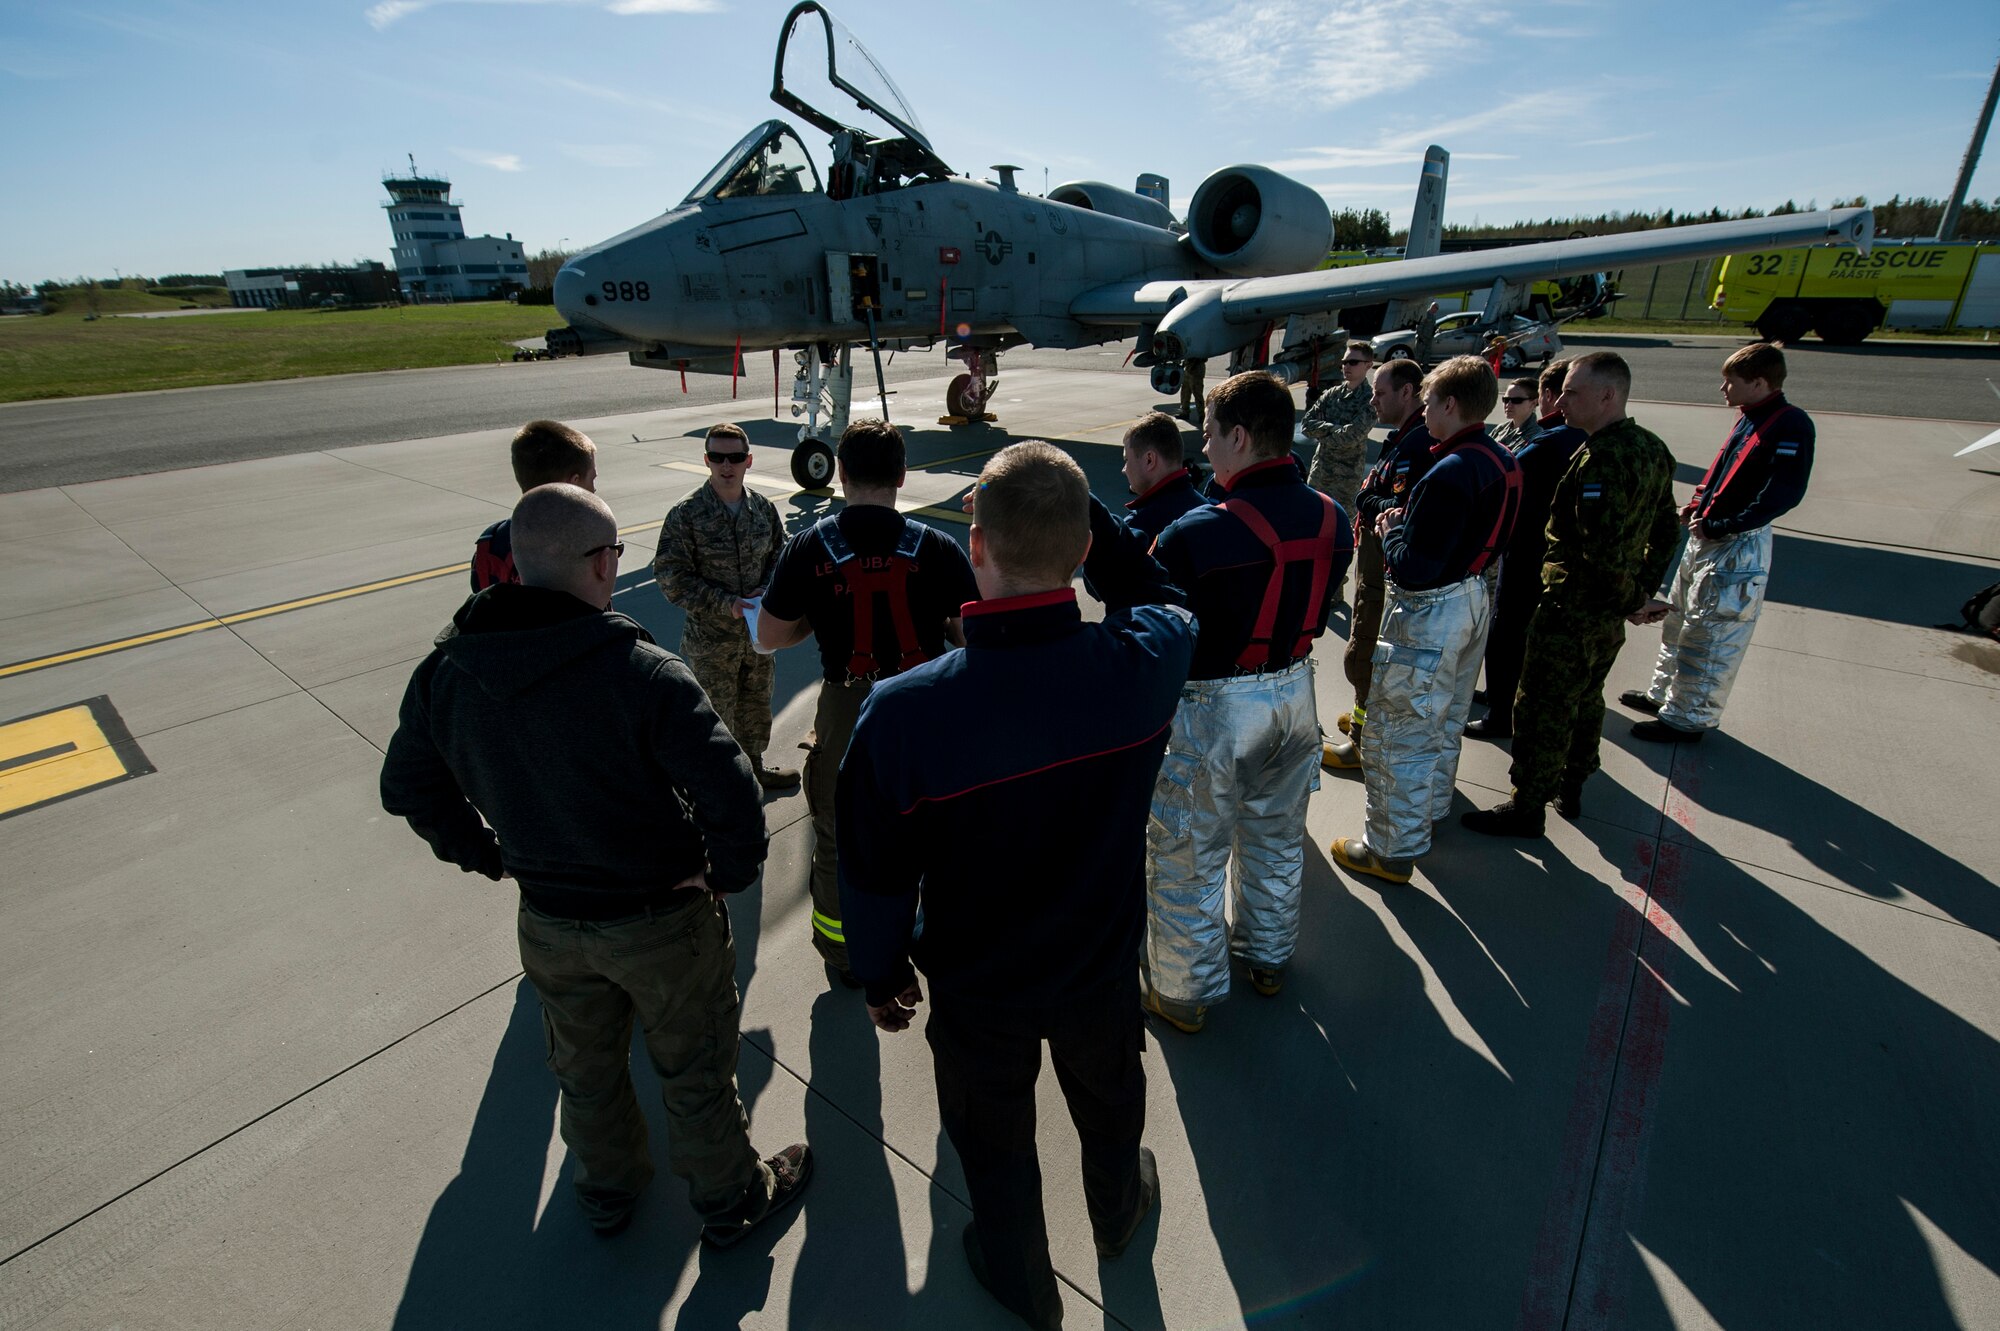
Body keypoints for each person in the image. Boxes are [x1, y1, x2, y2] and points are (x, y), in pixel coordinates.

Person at [380, 483, 811, 1246]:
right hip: (660, 923)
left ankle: (607, 1189)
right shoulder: (641, 672)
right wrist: (724, 873)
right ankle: (730, 1196)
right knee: (696, 1069)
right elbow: (732, 792)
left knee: (584, 1067)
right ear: (599, 565)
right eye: (614, 552)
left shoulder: (447, 671)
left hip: (548, 920)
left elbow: (407, 786)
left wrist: (489, 855)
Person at [837, 442, 1192, 1331]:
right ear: (1080, 553)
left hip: (979, 984)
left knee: (993, 1144)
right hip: (1099, 965)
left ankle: (1024, 1281)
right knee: (1111, 1105)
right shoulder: (1138, 663)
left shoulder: (907, 709)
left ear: (978, 547)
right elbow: (1169, 601)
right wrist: (1091, 527)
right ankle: (1116, 1216)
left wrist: (878, 973)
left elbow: (873, 872)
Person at [1143, 371, 1353, 1031]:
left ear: (1238, 435)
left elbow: (1155, 631)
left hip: (1214, 711)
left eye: (1208, 436)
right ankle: (1267, 956)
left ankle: (1182, 989)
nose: (1204, 451)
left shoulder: (1194, 533)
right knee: (1276, 837)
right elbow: (1323, 609)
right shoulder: (1332, 515)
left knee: (1188, 853)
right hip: (1295, 694)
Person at [755, 420, 977, 989]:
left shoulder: (809, 547)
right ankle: (930, 934)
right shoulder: (938, 547)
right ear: (902, 477)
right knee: (934, 827)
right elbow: (968, 635)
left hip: (847, 709)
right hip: (926, 706)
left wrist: (816, 619)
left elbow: (771, 636)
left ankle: (843, 952)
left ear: (842, 475)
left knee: (837, 832)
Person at [1461, 352, 1679, 837]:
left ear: (1608, 395)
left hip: (1574, 606)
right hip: (1604, 611)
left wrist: (1631, 599)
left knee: (1541, 705)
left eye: (1572, 393)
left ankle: (1527, 805)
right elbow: (1668, 527)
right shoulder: (1650, 448)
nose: (1560, 402)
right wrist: (1640, 591)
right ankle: (1572, 782)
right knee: (1585, 697)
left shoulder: (1602, 459)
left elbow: (1599, 553)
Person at [1330, 356, 1520, 883]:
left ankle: (1391, 848)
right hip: (1473, 595)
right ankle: (1430, 809)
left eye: (1431, 402)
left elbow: (1413, 568)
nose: (1426, 411)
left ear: (1450, 404)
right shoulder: (1500, 457)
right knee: (1445, 718)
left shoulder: (1450, 471)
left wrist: (1392, 529)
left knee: (1400, 734)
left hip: (1431, 610)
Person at [1621, 341, 1816, 742]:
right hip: (1707, 535)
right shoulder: (1751, 418)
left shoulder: (1789, 424)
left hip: (1734, 544)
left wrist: (1728, 523)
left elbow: (1783, 493)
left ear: (1759, 382)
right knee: (1678, 621)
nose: (1722, 390)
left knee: (1710, 632)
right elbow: (1727, 469)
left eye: (1730, 382)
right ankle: (1665, 695)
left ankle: (1689, 717)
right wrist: (1697, 507)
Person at [653, 423, 798, 789]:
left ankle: (755, 772)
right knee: (714, 719)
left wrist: (767, 591)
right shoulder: (686, 514)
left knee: (755, 709)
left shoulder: (762, 509)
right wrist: (726, 603)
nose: (726, 465)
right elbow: (672, 577)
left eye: (734, 457)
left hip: (757, 637)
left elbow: (781, 557)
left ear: (748, 460)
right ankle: (723, 788)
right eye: (717, 457)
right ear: (706, 460)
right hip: (711, 643)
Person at [1321, 357, 1435, 770]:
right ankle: (1364, 719)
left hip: (1383, 570)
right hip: (1374, 564)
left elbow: (1403, 505)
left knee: (1366, 652)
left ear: (1408, 392)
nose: (1373, 400)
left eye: (1381, 392)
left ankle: (1363, 743)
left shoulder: (1418, 442)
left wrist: (1367, 501)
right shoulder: (1406, 437)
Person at [1468, 361, 1587, 740]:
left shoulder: (1547, 444)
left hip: (1525, 555)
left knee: (1506, 636)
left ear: (1546, 398)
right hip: (1560, 560)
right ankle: (1503, 699)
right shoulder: (1586, 440)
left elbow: (1496, 484)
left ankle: (1502, 713)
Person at [471, 419, 598, 591]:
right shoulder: (585, 543)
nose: (594, 489)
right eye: (592, 479)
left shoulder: (490, 542)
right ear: (573, 483)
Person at [1301, 340, 1377, 538]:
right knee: (1312, 525)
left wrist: (1325, 432)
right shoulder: (1332, 394)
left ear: (1368, 365)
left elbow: (1351, 437)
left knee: (1339, 532)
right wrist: (1334, 429)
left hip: (1345, 479)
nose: (1346, 366)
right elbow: (1307, 425)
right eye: (1344, 362)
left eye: (1353, 362)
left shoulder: (1370, 399)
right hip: (1320, 473)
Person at [1118, 410, 1207, 539]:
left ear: (1150, 460)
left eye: (1127, 460)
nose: (1124, 469)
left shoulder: (1139, 527)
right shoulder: (1206, 507)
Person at [1490, 376, 1545, 452]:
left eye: (1516, 400)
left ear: (1534, 403)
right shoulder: (1500, 429)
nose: (1508, 405)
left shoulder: (1536, 435)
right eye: (1506, 400)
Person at [1178, 357, 1207, 427]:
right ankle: (1185, 411)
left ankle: (1201, 415)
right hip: (1189, 368)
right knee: (1185, 392)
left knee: (1197, 393)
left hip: (1196, 369)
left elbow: (1203, 357)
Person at [1412, 301, 1441, 366]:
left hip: (1429, 338)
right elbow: (1419, 327)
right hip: (1422, 338)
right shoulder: (1425, 314)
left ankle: (1425, 366)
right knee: (1419, 354)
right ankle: (1417, 366)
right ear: (1432, 307)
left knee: (1427, 353)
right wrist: (1421, 337)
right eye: (1436, 308)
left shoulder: (1433, 316)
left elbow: (1433, 325)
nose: (1436, 310)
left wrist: (1437, 329)